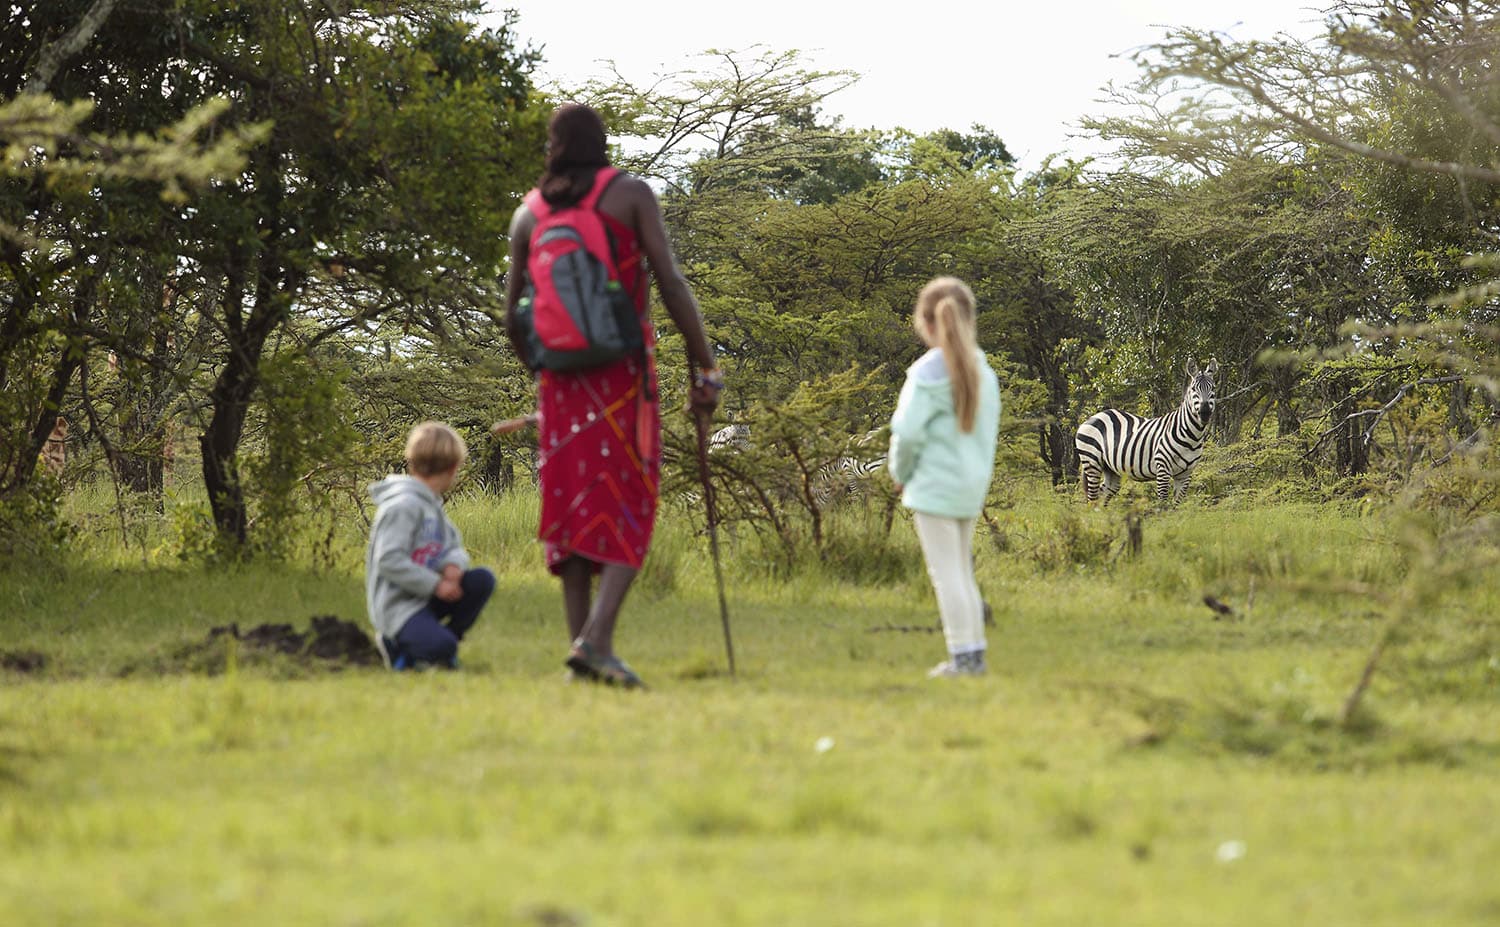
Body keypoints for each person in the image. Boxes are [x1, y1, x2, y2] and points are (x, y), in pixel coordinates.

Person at [505, 103, 721, 688]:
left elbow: (512, 315)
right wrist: (706, 368)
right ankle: (596, 641)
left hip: (560, 388)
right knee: (630, 501)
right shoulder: (629, 194)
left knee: (573, 513)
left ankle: (582, 651)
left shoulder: (529, 214)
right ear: (602, 144)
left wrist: (544, 374)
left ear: (552, 147)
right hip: (623, 379)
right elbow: (671, 282)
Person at [887, 277, 1001, 678]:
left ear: (925, 322)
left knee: (946, 574)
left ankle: (962, 658)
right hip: (971, 488)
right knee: (962, 572)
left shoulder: (925, 373)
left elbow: (907, 433)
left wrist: (899, 474)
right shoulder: (984, 370)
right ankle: (974, 656)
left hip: (934, 488)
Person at [366, 422, 495, 671]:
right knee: (443, 647)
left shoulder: (431, 505)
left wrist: (453, 566)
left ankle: (435, 641)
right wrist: (435, 584)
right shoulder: (402, 506)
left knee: (482, 581)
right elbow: (389, 560)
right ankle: (399, 647)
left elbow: (454, 546)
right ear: (453, 468)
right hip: (398, 607)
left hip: (427, 598)